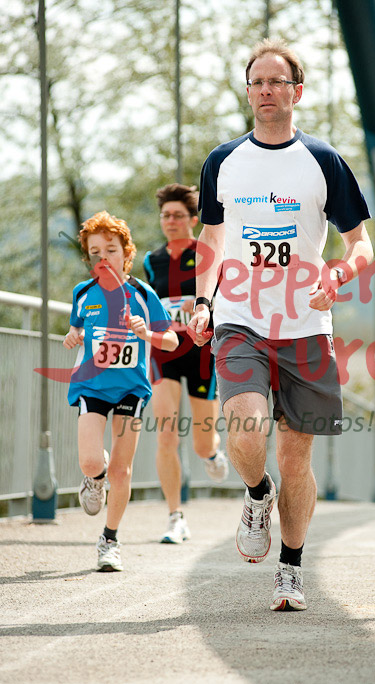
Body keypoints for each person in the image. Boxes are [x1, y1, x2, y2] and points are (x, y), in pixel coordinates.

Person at [189, 39, 374, 611]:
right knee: (246, 431)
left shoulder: (322, 160)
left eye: (277, 81)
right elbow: (211, 238)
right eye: (257, 82)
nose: (266, 90)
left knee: (296, 458)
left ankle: (290, 571)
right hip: (240, 319)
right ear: (248, 93)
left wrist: (338, 273)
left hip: (306, 326)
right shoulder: (223, 161)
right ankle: (256, 490)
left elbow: (361, 243)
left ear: (297, 91)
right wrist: (203, 301)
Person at [63, 210, 178, 571]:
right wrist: (73, 335)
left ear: (126, 253)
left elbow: (172, 341)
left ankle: (109, 540)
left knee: (121, 471)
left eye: (110, 250)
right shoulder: (83, 293)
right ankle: (94, 478)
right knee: (91, 462)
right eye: (95, 252)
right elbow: (78, 327)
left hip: (131, 388)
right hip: (92, 386)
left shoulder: (143, 294)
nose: (103, 258)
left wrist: (147, 333)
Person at [143, 183, 228, 544]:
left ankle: (212, 453)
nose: (171, 221)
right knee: (166, 434)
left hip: (201, 353)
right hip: (164, 353)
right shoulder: (152, 261)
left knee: (200, 444)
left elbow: (225, 297)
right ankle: (175, 517)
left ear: (194, 220)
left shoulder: (208, 254)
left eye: (178, 215)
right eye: (166, 215)